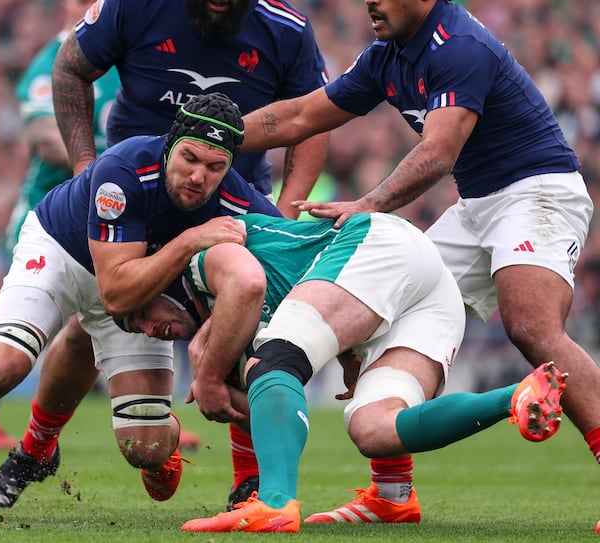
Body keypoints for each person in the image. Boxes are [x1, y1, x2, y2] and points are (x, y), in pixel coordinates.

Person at [236, 0, 597, 526]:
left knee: (532, 326)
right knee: (382, 303)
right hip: (479, 204)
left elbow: (438, 153)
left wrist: (369, 202)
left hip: (538, 192)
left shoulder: (458, 46)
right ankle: (392, 495)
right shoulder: (386, 56)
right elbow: (300, 115)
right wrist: (207, 134)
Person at [0, 0, 331, 510]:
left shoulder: (286, 28)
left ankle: (249, 483)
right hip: (136, 196)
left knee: (253, 326)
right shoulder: (133, 0)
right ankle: (37, 447)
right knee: (89, 326)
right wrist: (90, 169)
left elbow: (312, 118)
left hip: (231, 202)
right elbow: (71, 69)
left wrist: (291, 210)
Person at [0, 92, 281, 521]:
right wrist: (187, 243)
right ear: (169, 146)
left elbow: (285, 273)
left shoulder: (240, 200)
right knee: (3, 366)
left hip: (137, 279)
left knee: (148, 450)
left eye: (215, 166)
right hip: (61, 254)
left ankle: (125, 442)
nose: (199, 176)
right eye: (190, 159)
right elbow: (115, 296)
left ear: (231, 167)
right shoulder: (123, 169)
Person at [119, 212, 567, 532]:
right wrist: (219, 382)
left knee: (274, 358)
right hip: (426, 289)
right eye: (133, 327)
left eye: (142, 310)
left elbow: (249, 286)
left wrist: (212, 374)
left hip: (378, 244)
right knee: (373, 426)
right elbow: (259, 401)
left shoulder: (203, 262)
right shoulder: (223, 318)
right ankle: (513, 399)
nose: (148, 328)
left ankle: (274, 503)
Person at [0, 0, 122, 451]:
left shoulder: (125, 62)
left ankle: (142, 416)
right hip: (50, 214)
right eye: (82, 0)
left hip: (108, 210)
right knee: (29, 320)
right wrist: (109, 160)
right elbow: (45, 140)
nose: (91, 7)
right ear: (67, 6)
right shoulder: (49, 63)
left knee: (106, 314)